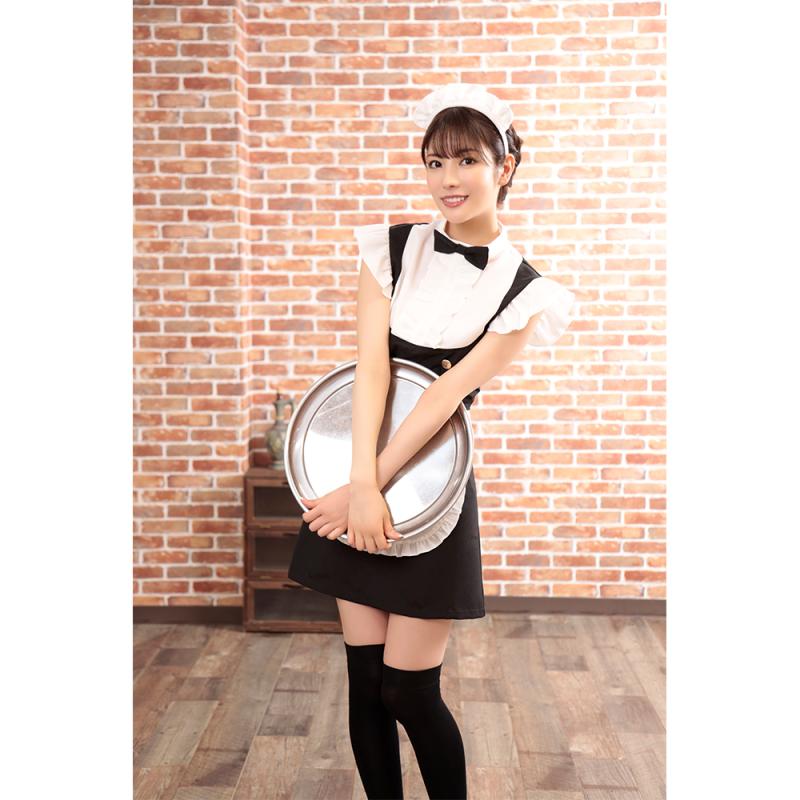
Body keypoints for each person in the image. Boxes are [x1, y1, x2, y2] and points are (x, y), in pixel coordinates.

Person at [287, 83, 576, 799]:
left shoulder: (525, 290)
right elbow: (371, 369)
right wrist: (357, 484)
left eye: (467, 160)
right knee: (364, 682)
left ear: (506, 167)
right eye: (435, 162)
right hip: (355, 469)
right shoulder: (389, 249)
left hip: (428, 487)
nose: (449, 179)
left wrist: (372, 489)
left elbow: (446, 396)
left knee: (408, 691)